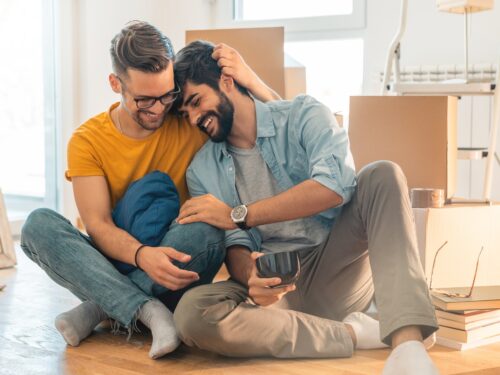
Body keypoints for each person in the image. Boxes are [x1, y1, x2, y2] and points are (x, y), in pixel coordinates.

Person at [171, 40, 440, 375]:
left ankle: (408, 344)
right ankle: (355, 334)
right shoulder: (202, 169)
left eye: (196, 102)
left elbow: (334, 186)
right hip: (277, 291)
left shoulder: (303, 114)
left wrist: (239, 214)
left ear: (227, 81)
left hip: (336, 268)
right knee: (191, 314)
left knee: (383, 174)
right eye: (186, 113)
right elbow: (234, 244)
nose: (195, 117)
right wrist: (251, 276)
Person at [19, 22, 279, 359]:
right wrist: (143, 255)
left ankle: (102, 309)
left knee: (206, 230)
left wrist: (252, 80)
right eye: (144, 100)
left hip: (177, 259)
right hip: (114, 261)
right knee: (37, 225)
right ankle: (149, 311)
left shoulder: (188, 117)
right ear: (116, 84)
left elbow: (274, 131)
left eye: (166, 95)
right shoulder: (87, 141)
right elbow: (97, 226)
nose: (158, 109)